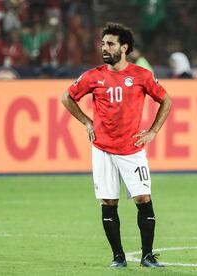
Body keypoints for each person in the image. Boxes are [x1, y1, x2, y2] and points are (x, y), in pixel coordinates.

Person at [61, 22, 171, 268]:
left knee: (143, 199)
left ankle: (147, 256)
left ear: (124, 47)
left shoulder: (141, 76)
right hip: (102, 149)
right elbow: (67, 97)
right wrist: (87, 122)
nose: (104, 48)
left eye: (110, 44)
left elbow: (166, 100)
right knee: (109, 202)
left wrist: (153, 131)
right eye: (102, 43)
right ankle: (118, 257)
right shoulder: (93, 76)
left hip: (132, 150)